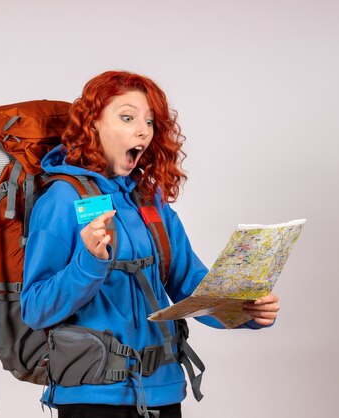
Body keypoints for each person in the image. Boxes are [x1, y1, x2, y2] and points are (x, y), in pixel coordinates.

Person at [20, 71, 280, 418]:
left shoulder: (149, 201)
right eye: (127, 117)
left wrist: (245, 311)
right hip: (93, 400)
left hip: (163, 392)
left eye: (150, 122)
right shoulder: (61, 199)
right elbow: (36, 309)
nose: (143, 131)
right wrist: (90, 262)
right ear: (92, 123)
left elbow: (192, 286)